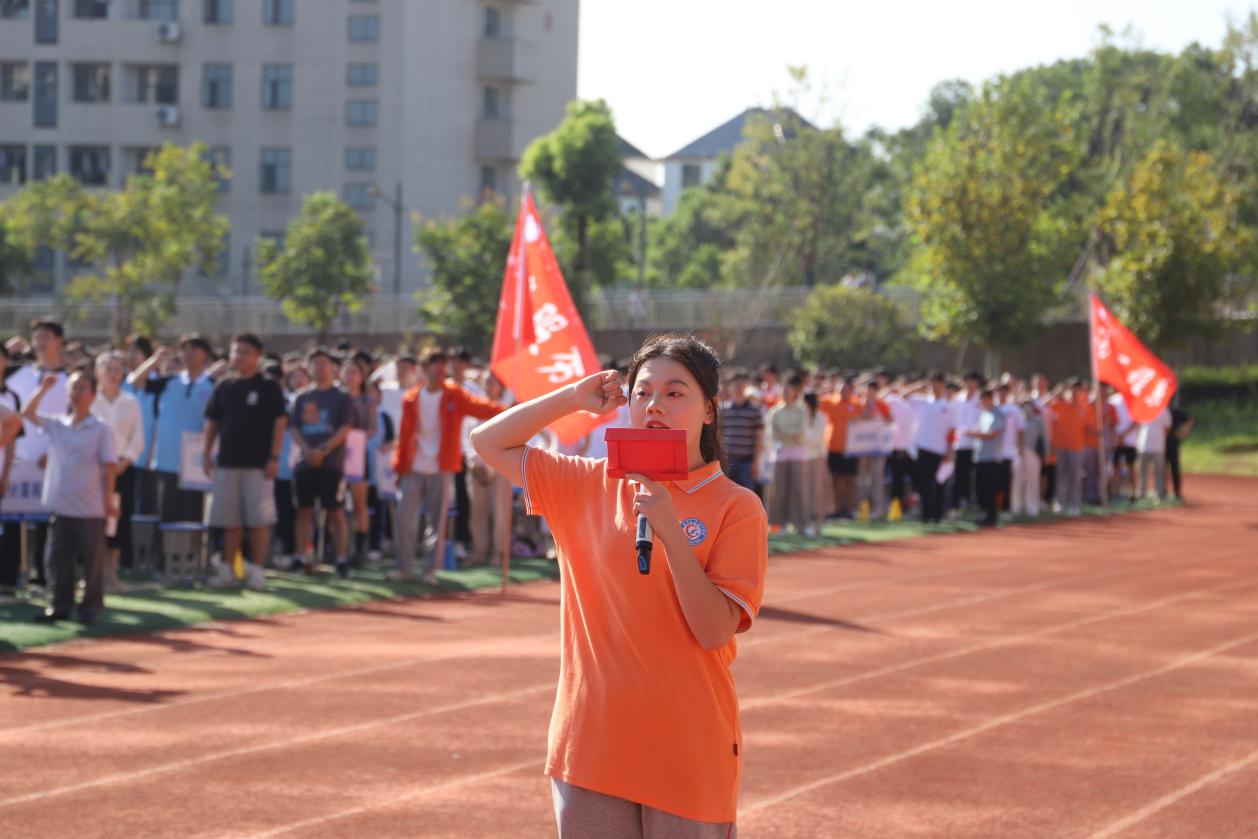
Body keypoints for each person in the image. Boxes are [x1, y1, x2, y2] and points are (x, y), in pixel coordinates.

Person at [470, 333, 766, 837]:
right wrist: (571, 399)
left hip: (687, 743)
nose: (655, 405)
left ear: (709, 410)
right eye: (642, 392)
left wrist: (672, 534)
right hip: (591, 742)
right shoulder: (585, 482)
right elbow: (487, 442)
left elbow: (714, 630)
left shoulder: (736, 506)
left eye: (675, 392)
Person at [391, 349, 502, 585]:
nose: (440, 368)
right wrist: (399, 468)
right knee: (405, 521)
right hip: (413, 468)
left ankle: (429, 570)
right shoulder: (411, 398)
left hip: (441, 469)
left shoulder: (455, 394)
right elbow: (404, 436)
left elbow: (481, 408)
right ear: (424, 368)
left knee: (437, 523)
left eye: (443, 364)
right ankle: (403, 569)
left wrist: (509, 409)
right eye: (435, 363)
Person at [23, 372, 118, 624]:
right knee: (59, 561)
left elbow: (109, 466)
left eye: (82, 388)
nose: (76, 393)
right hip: (61, 504)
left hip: (90, 507)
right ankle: (60, 606)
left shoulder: (101, 428)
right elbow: (28, 413)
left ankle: (91, 608)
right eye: (73, 388)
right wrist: (43, 389)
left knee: (92, 563)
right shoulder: (57, 424)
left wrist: (108, 501)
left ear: (93, 395)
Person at [203, 334, 288, 589]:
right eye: (236, 351)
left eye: (245, 352)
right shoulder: (224, 385)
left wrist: (274, 457)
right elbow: (212, 421)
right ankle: (228, 570)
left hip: (258, 465)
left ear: (258, 356)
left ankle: (257, 570)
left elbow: (280, 423)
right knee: (230, 522)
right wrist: (206, 453)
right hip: (227, 462)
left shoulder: (268, 386)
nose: (239, 357)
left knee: (258, 521)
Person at [129, 335, 217, 523]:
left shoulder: (213, 386)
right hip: (166, 461)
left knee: (193, 519)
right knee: (167, 518)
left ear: (205, 355)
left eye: (194, 349)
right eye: (185, 349)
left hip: (195, 464)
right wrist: (154, 360)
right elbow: (135, 381)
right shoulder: (169, 382)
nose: (188, 354)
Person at [290, 348, 356, 578]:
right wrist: (308, 451)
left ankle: (341, 559)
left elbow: (345, 427)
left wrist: (324, 450)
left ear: (332, 367)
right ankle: (302, 557)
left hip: (332, 464)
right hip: (305, 463)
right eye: (315, 363)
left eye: (323, 363)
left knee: (335, 511)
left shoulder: (341, 396)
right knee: (303, 510)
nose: (319, 368)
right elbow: (294, 428)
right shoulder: (301, 397)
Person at [91, 352, 144, 590]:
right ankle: (93, 574)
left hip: (122, 470)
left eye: (117, 369)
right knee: (93, 521)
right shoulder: (90, 399)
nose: (113, 374)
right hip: (93, 470)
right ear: (97, 372)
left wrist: (124, 462)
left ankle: (112, 573)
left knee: (118, 522)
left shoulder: (130, 402)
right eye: (108, 369)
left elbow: (138, 438)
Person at [341, 357, 377, 567]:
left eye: (354, 372)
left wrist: (357, 437)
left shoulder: (367, 400)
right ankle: (340, 548)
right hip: (337, 455)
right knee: (336, 505)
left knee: (359, 504)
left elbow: (373, 428)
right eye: (347, 372)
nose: (350, 376)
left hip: (358, 456)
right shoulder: (337, 398)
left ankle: (360, 549)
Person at [765, 374, 811, 535]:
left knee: (798, 491)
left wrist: (785, 434)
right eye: (783, 389)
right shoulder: (775, 411)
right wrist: (790, 435)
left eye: (788, 389)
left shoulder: (801, 410)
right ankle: (778, 524)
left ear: (795, 391)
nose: (785, 392)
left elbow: (801, 433)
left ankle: (801, 525)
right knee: (779, 491)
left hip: (798, 455)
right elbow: (773, 434)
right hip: (780, 455)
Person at [906, 374, 955, 524]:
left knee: (939, 483)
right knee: (922, 483)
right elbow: (903, 396)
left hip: (940, 449)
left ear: (944, 386)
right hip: (923, 448)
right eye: (933, 383)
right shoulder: (923, 401)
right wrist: (918, 386)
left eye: (938, 384)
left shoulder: (948, 407)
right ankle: (926, 514)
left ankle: (938, 515)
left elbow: (952, 431)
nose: (935, 386)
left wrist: (949, 451)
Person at [819, 378, 861, 518]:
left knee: (849, 480)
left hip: (851, 449)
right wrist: (826, 387)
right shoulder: (830, 402)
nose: (844, 392)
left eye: (847, 389)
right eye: (842, 388)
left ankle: (848, 509)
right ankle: (835, 509)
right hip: (833, 447)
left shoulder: (857, 405)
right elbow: (814, 401)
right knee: (835, 480)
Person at [963, 388, 1005, 527]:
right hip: (980, 456)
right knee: (981, 488)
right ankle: (984, 514)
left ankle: (991, 516)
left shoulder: (998, 414)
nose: (982, 402)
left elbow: (992, 434)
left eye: (984, 399)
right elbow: (979, 429)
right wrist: (973, 432)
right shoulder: (983, 413)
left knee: (990, 488)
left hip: (992, 457)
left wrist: (974, 434)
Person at [720, 370, 764, 495]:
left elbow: (759, 438)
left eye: (741, 384)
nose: (738, 387)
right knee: (727, 496)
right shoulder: (723, 409)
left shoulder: (755, 410)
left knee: (747, 495)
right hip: (727, 460)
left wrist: (756, 462)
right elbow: (718, 435)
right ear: (730, 386)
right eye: (736, 384)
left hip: (747, 462)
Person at [1049, 379, 1089, 516]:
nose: (1073, 392)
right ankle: (1062, 504)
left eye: (1076, 390)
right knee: (1062, 476)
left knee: (1075, 477)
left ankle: (1076, 505)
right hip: (1061, 447)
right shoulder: (1060, 405)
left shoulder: (1084, 408)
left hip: (1077, 448)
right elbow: (1043, 406)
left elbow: (1088, 427)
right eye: (1071, 389)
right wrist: (1056, 392)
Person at [1136, 406, 1173, 501]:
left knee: (1159, 472)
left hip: (1158, 447)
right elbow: (1138, 425)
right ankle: (1141, 494)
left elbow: (1168, 427)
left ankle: (1160, 494)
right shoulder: (1144, 409)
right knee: (1142, 471)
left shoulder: (1164, 410)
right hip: (1143, 446)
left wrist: (1161, 438)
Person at [1166, 404, 1193, 501]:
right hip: (1161, 443)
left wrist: (1182, 433)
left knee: (1174, 467)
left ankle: (1176, 491)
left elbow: (1189, 420)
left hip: (1173, 442)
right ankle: (1163, 490)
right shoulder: (1159, 411)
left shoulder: (1174, 412)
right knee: (1162, 468)